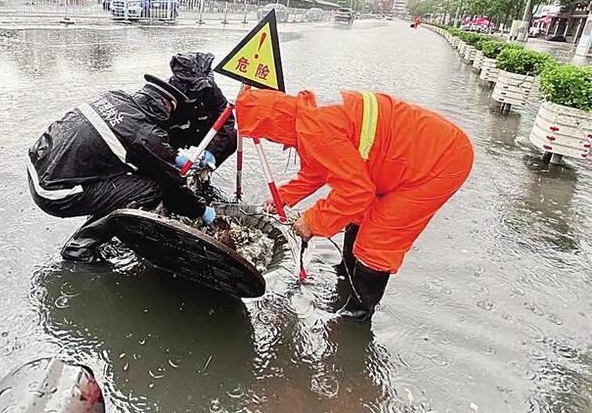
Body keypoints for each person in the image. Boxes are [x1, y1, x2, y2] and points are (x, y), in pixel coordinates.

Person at [235, 88, 473, 321]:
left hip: (438, 162)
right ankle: (347, 273)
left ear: (272, 124)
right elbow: (319, 167)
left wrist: (311, 221)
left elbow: (356, 192)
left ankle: (359, 312)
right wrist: (285, 196)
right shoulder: (305, 113)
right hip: (404, 155)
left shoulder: (315, 129)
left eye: (266, 135)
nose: (272, 141)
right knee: (358, 216)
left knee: (379, 239)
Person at [26, 75, 215, 260]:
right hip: (54, 195)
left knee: (127, 170)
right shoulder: (143, 133)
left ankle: (100, 215)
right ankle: (79, 246)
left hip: (37, 168)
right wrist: (200, 210)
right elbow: (171, 183)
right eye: (170, 110)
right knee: (151, 188)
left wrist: (172, 156)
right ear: (163, 108)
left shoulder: (113, 97)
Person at [167, 52, 237, 170]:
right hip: (175, 137)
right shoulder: (167, 92)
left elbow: (226, 118)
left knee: (233, 137)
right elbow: (152, 132)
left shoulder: (210, 89)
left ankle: (204, 170)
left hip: (200, 133)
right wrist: (172, 156)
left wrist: (212, 151)